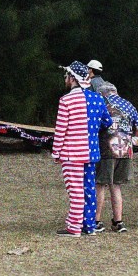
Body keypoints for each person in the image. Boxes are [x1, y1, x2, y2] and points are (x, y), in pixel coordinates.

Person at [52, 61, 110, 236]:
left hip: (72, 152)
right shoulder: (98, 99)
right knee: (88, 188)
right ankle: (89, 225)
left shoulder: (66, 100)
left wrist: (56, 152)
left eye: (66, 75)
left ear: (72, 78)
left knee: (75, 190)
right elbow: (108, 121)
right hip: (91, 151)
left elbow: (61, 129)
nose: (65, 78)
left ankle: (74, 226)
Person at [93, 77, 138, 234]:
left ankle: (96, 221)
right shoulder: (128, 104)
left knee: (100, 184)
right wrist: (129, 135)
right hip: (125, 149)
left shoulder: (102, 103)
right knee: (116, 185)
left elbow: (94, 126)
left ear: (102, 93)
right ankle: (118, 222)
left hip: (106, 148)